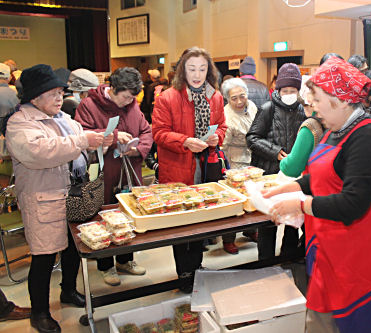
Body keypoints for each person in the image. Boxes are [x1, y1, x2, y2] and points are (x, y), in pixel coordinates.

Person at [264, 57, 371, 333]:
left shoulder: (370, 137)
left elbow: (352, 204)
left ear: (342, 100)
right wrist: (287, 187)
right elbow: (325, 177)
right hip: (329, 249)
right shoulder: (334, 131)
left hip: (358, 255)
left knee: (355, 322)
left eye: (318, 99)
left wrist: (299, 205)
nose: (312, 106)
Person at [4, 64, 111, 333]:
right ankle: (39, 312)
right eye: (52, 93)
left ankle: (68, 291)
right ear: (34, 97)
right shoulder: (19, 122)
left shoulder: (64, 117)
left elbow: (81, 141)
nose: (58, 97)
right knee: (43, 257)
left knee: (73, 247)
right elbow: (39, 152)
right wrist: (83, 141)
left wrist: (99, 140)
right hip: (43, 198)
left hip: (73, 193)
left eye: (60, 91)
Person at [152, 46, 227, 293]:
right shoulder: (168, 97)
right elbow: (159, 133)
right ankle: (184, 272)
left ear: (209, 71)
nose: (197, 74)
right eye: (192, 68)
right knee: (181, 222)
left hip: (207, 165)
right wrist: (184, 141)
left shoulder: (214, 96)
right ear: (183, 70)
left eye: (202, 69)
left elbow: (222, 126)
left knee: (200, 220)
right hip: (177, 167)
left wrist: (217, 136)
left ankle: (197, 266)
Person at [75, 67, 153, 286]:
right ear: (113, 89)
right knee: (104, 216)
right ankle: (105, 264)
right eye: (125, 96)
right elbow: (81, 136)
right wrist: (114, 136)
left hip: (129, 170)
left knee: (127, 215)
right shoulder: (89, 105)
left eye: (132, 98)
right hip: (104, 172)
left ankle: (126, 259)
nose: (128, 101)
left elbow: (146, 131)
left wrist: (138, 149)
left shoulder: (133, 106)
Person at [246, 63, 306, 260]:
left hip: (293, 175)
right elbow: (252, 138)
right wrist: (275, 151)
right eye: (285, 90)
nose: (289, 93)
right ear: (278, 89)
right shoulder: (267, 108)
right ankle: (265, 261)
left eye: (293, 90)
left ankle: (288, 258)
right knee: (269, 221)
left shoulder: (302, 111)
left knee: (292, 219)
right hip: (269, 173)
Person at [220, 78, 259, 254]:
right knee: (234, 202)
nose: (239, 101)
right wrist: (225, 168)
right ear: (227, 98)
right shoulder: (226, 115)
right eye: (233, 98)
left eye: (242, 96)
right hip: (234, 161)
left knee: (252, 197)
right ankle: (228, 239)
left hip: (253, 158)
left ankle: (250, 229)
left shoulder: (252, 106)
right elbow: (223, 146)